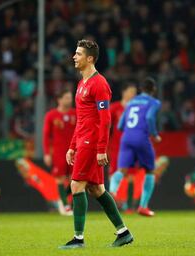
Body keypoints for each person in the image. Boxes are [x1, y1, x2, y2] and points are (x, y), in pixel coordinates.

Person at [60, 39, 133, 249]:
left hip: (92, 142)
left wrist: (101, 149)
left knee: (76, 185)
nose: (74, 57)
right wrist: (72, 145)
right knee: (96, 189)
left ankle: (78, 238)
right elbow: (81, 118)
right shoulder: (82, 83)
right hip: (82, 139)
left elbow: (105, 119)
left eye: (78, 54)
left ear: (90, 58)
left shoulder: (99, 84)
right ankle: (123, 232)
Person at [109, 77, 162, 217]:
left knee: (122, 170)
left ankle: (112, 191)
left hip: (126, 138)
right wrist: (154, 134)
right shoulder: (154, 102)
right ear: (153, 89)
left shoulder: (131, 102)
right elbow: (150, 118)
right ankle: (143, 206)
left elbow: (120, 124)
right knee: (150, 171)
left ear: (141, 89)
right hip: (141, 137)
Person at [43, 89, 76, 215]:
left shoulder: (76, 113)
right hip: (58, 152)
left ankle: (69, 203)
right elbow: (46, 136)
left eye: (70, 97)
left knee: (75, 179)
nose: (69, 100)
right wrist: (47, 153)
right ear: (59, 100)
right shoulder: (51, 115)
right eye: (67, 98)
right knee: (60, 178)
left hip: (74, 151)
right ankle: (65, 205)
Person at [109, 82, 138, 212]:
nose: (133, 95)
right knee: (115, 175)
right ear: (124, 92)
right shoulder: (114, 108)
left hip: (132, 148)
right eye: (131, 91)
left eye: (135, 92)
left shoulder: (137, 109)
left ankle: (129, 206)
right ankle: (114, 204)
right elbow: (105, 126)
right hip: (117, 148)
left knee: (131, 176)